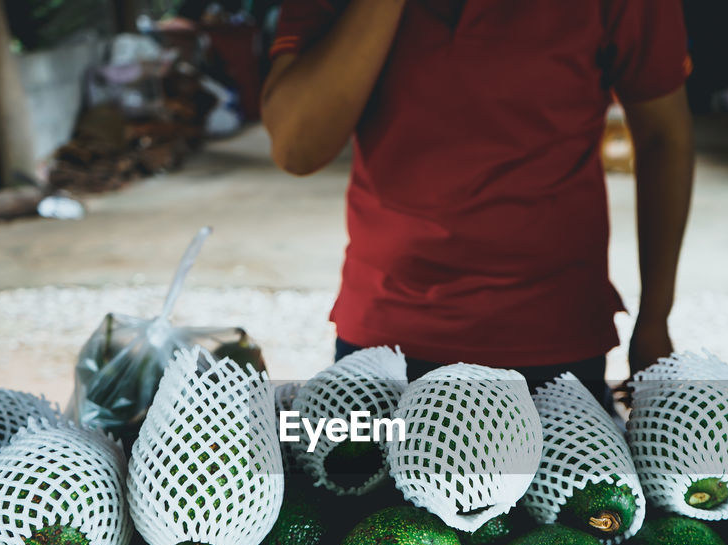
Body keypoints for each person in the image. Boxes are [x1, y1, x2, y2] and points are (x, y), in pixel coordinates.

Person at [260, 0, 693, 397]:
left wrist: (655, 320)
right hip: (386, 333)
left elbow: (663, 135)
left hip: (551, 335)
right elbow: (298, 148)